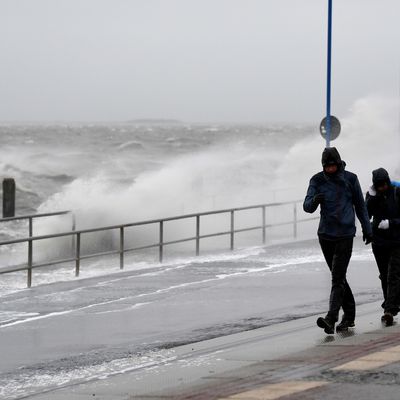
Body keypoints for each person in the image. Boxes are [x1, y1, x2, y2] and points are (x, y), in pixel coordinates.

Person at [303, 147, 372, 334]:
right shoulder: (316, 180)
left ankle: (331, 318)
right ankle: (349, 315)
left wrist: (368, 228)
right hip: (325, 235)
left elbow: (360, 206)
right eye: (327, 167)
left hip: (345, 234)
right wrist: (315, 201)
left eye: (333, 166)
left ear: (339, 163)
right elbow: (307, 206)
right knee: (338, 277)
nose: (330, 170)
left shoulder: (351, 179)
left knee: (337, 278)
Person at [366, 168, 400, 326]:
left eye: (384, 184)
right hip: (378, 242)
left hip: (396, 241)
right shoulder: (373, 196)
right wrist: (371, 197)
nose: (382, 188)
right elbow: (366, 213)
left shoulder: (397, 192)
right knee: (384, 275)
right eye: (378, 186)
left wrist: (392, 223)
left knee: (393, 274)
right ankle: (390, 303)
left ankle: (389, 309)